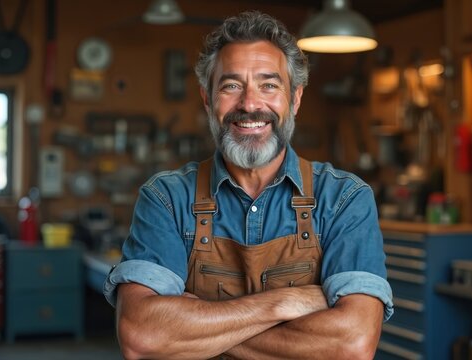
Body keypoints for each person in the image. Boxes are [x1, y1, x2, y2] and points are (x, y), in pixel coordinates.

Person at [104, 10, 393, 360]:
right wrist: (283, 303)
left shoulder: (344, 199)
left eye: (269, 85)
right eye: (231, 86)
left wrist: (192, 327)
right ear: (208, 99)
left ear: (295, 99)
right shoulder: (166, 198)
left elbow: (352, 345)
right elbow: (143, 336)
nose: (250, 104)